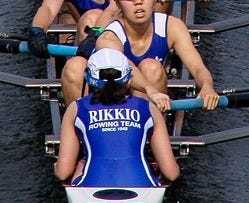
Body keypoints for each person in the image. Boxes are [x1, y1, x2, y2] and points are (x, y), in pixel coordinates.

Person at [93, 0, 220, 112]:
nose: (138, 1)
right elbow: (126, 67)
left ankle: (152, 120)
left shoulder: (172, 26)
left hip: (152, 92)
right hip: (115, 103)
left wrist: (207, 86)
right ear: (117, 3)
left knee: (151, 68)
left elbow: (197, 68)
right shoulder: (109, 38)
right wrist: (150, 90)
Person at [54, 48, 180, 186]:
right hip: (142, 185)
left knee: (80, 165)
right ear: (129, 80)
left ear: (89, 80)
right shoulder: (149, 107)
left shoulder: (76, 108)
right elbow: (171, 173)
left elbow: (63, 173)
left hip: (91, 184)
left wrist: (58, 167)